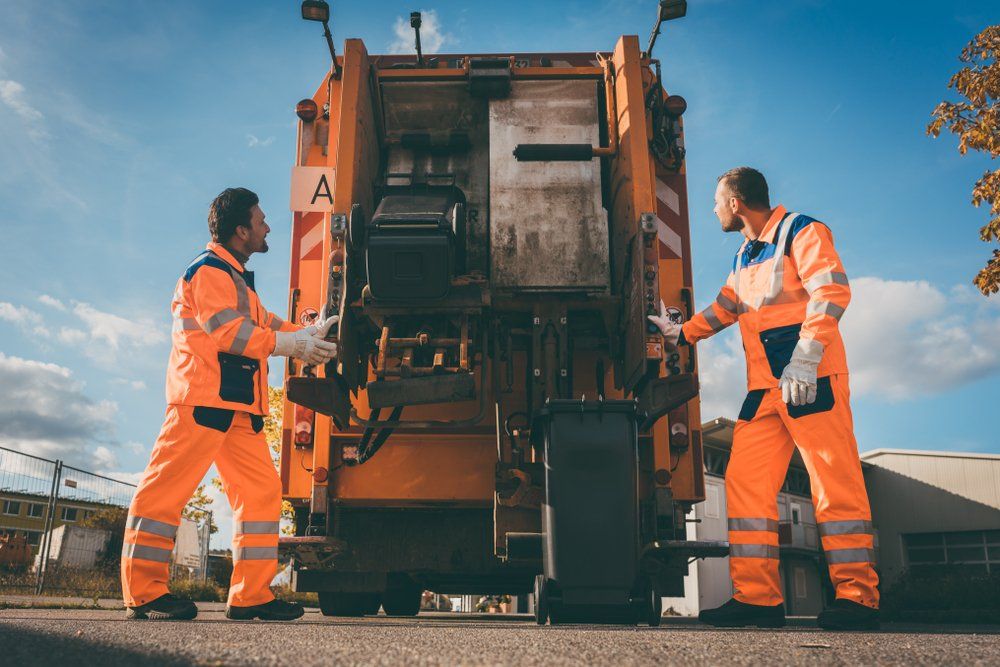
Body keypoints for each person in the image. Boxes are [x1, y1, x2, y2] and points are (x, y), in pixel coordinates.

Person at [649, 167, 879, 631]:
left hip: (811, 380)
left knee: (833, 483)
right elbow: (727, 308)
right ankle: (757, 599)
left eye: (716, 201)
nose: (713, 209)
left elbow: (831, 291)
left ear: (735, 203)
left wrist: (807, 357)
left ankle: (857, 596)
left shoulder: (802, 231)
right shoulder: (744, 257)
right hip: (766, 391)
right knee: (745, 481)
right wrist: (682, 333)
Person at [121, 187, 337, 621]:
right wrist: (290, 344)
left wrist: (307, 334)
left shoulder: (234, 279)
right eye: (260, 221)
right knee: (163, 495)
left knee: (261, 495)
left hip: (236, 410)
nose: (267, 226)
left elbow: (265, 323)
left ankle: (251, 596)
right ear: (241, 231)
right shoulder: (207, 272)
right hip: (200, 404)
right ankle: (144, 593)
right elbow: (229, 334)